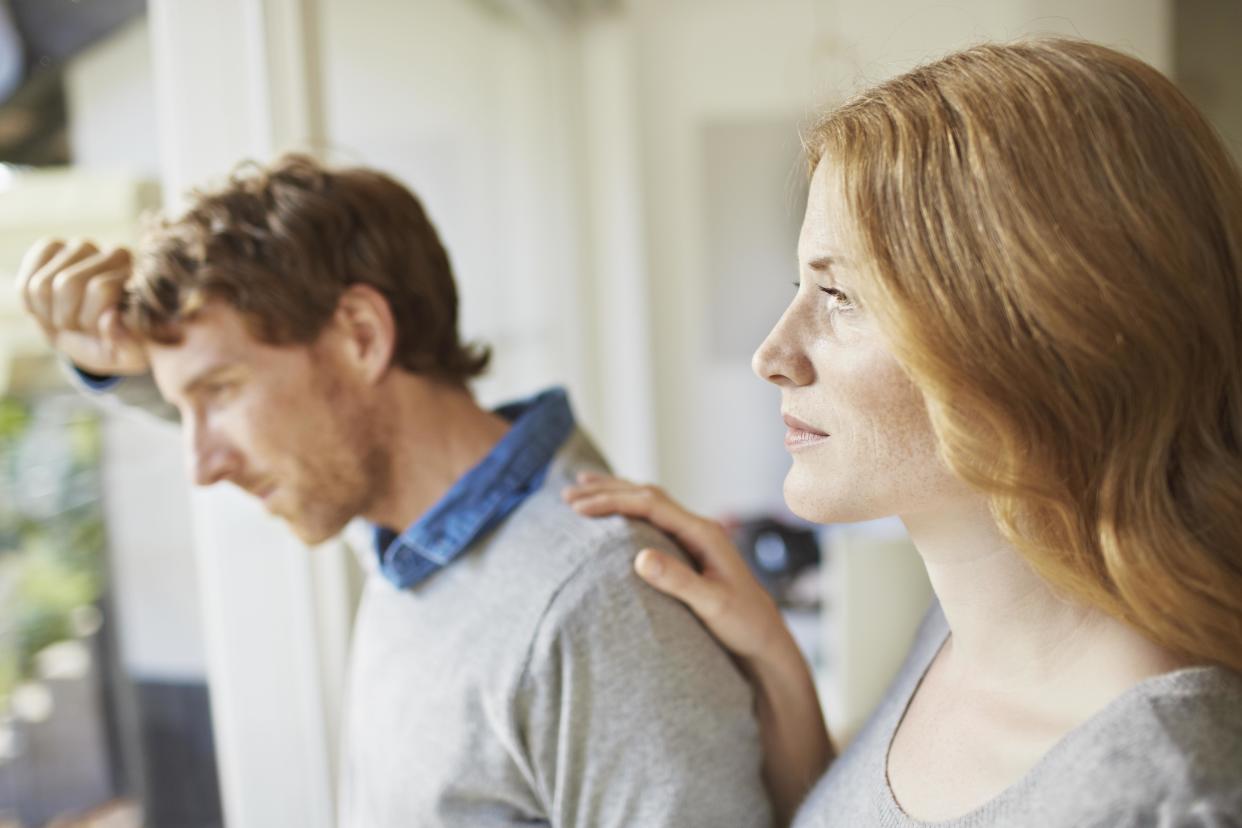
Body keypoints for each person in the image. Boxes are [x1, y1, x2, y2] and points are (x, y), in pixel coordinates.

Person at [564, 37, 1242, 827]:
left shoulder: (1167, 796)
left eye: (841, 295)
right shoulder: (960, 627)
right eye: (800, 286)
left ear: (1040, 333)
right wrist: (776, 664)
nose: (772, 356)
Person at [14, 156, 773, 827]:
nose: (201, 465)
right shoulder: (411, 526)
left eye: (221, 390)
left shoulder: (598, 606)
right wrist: (116, 365)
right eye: (184, 408)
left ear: (361, 336)